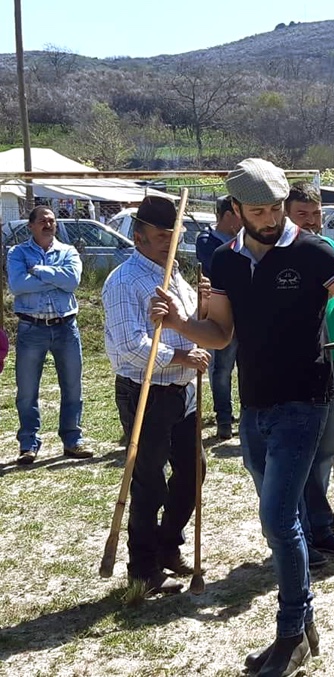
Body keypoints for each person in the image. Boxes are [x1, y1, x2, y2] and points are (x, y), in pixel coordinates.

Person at [150, 159, 334, 677]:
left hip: (305, 401)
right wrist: (180, 323)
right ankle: (304, 627)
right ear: (237, 209)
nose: (269, 219)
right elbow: (220, 334)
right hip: (254, 406)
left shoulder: (314, 251)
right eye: (257, 210)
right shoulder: (225, 260)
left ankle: (289, 636)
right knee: (282, 522)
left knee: (278, 520)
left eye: (276, 208)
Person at [102, 195, 210, 595]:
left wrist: (202, 311)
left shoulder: (177, 276)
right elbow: (129, 346)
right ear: (139, 237)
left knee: (193, 471)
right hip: (144, 390)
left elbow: (188, 327)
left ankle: (168, 545)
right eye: (162, 235)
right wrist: (180, 355)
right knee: (149, 481)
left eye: (174, 234)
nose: (169, 242)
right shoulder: (124, 281)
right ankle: (143, 567)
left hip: (182, 390)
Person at [284, 182, 334, 566]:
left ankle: (320, 526)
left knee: (327, 449)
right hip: (300, 364)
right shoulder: (280, 256)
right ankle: (300, 534)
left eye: (316, 214)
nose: (312, 222)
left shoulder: (330, 249)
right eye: (303, 215)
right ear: (286, 215)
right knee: (300, 454)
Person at [7, 206, 93, 465]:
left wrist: (38, 270)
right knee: (27, 390)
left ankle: (72, 440)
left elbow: (73, 282)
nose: (48, 225)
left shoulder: (68, 251)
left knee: (73, 387)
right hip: (31, 328)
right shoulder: (17, 253)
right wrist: (57, 277)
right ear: (31, 226)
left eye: (52, 221)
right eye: (43, 221)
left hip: (66, 327)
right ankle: (28, 444)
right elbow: (17, 285)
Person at [195, 195, 242, 439]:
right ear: (228, 215)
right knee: (222, 369)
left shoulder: (246, 239)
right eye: (239, 213)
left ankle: (248, 414)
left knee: (249, 366)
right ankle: (224, 418)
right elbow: (221, 268)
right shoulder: (206, 240)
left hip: (247, 311)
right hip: (223, 313)